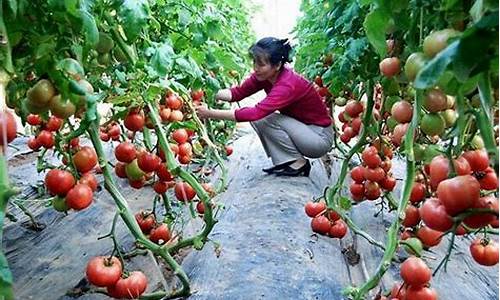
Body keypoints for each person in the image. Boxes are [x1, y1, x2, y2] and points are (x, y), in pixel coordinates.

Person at [195, 37, 334, 177]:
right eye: (255, 62)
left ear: (277, 65)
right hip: (302, 131)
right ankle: (288, 161)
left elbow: (254, 113)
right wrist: (204, 90)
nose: (255, 68)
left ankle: (298, 163)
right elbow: (237, 93)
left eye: (261, 64)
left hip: (318, 138)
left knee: (263, 117)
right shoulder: (265, 76)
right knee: (261, 118)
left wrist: (209, 113)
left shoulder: (287, 84)